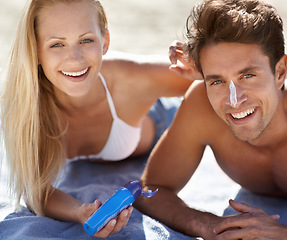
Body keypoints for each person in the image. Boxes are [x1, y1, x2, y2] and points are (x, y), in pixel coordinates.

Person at [134, 0, 287, 239]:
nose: (234, 100)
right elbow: (150, 190)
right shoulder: (202, 104)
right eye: (217, 80)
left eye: (248, 75)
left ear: (280, 72)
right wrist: (208, 224)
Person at [0, 0, 193, 238]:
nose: (75, 58)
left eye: (86, 40)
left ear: (105, 42)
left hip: (158, 120)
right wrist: (79, 211)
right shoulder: (25, 104)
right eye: (57, 44)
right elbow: (36, 189)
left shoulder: (130, 78)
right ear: (35, 51)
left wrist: (196, 59)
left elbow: (213, 78)